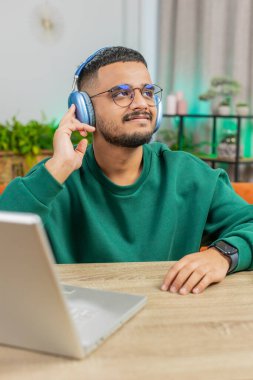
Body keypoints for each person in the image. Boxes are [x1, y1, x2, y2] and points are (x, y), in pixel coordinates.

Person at [1, 46, 253, 296]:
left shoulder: (188, 174)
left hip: (165, 318)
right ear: (84, 110)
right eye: (121, 94)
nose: (141, 103)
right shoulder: (55, 177)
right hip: (81, 322)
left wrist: (222, 255)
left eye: (147, 91)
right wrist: (57, 169)